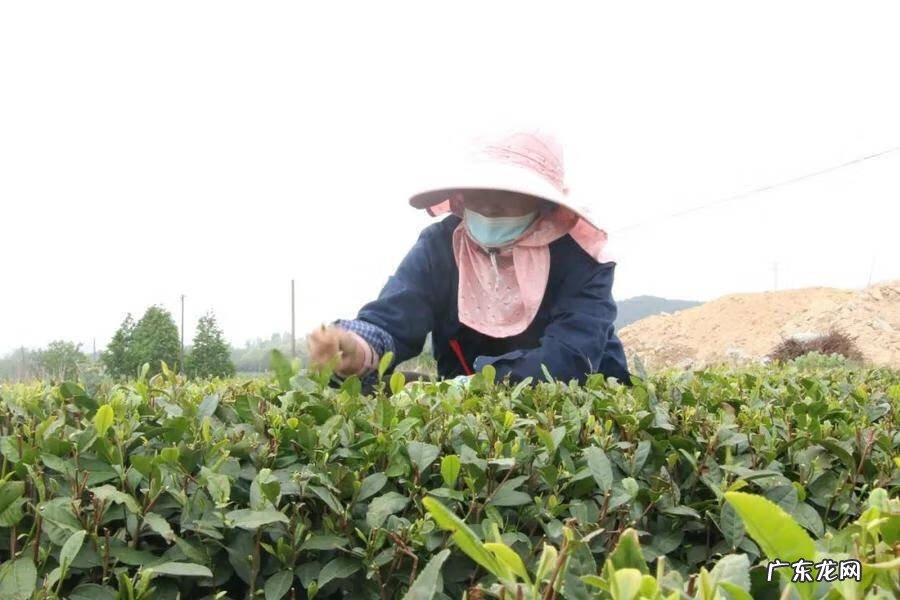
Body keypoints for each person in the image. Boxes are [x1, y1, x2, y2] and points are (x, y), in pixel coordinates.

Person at [307, 128, 632, 390]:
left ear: (543, 203)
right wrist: (356, 348)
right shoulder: (440, 248)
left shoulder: (582, 260)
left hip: (580, 411)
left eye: (509, 194)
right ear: (460, 197)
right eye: (480, 191)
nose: (490, 206)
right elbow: (396, 315)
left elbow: (570, 356)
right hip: (467, 418)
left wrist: (475, 385)